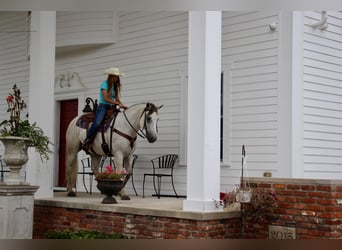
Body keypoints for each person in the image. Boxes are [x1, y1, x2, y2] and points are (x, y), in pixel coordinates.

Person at [82, 67, 127, 151]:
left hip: (112, 107)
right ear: (110, 76)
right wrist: (116, 103)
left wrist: (122, 105)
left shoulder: (115, 87)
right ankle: (87, 140)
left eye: (117, 77)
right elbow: (106, 98)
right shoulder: (104, 84)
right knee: (97, 123)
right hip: (103, 107)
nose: (115, 78)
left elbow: (117, 99)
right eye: (114, 76)